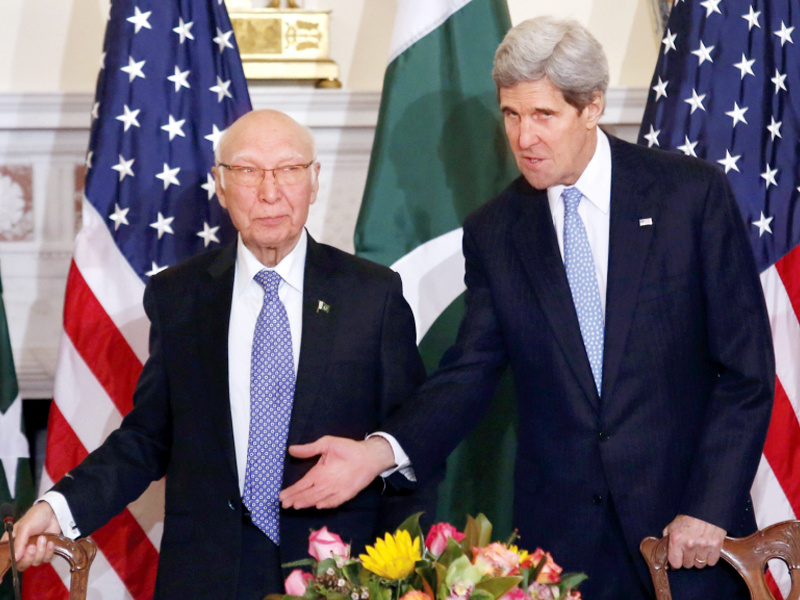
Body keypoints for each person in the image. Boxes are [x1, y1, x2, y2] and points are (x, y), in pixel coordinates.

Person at [278, 17, 775, 600]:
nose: (523, 137)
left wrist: (708, 507)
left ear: (591, 107)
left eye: (544, 115)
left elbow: (745, 371)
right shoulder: (498, 230)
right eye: (511, 115)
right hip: (565, 550)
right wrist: (377, 451)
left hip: (689, 533)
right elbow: (468, 374)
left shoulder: (688, 195)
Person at [4, 110, 439, 599]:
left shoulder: (372, 295)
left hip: (341, 573)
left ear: (314, 181)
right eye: (249, 171)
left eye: (290, 170)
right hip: (205, 576)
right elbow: (147, 438)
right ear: (221, 184)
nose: (270, 192)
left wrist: (408, 575)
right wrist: (57, 509)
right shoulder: (179, 297)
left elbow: (411, 439)